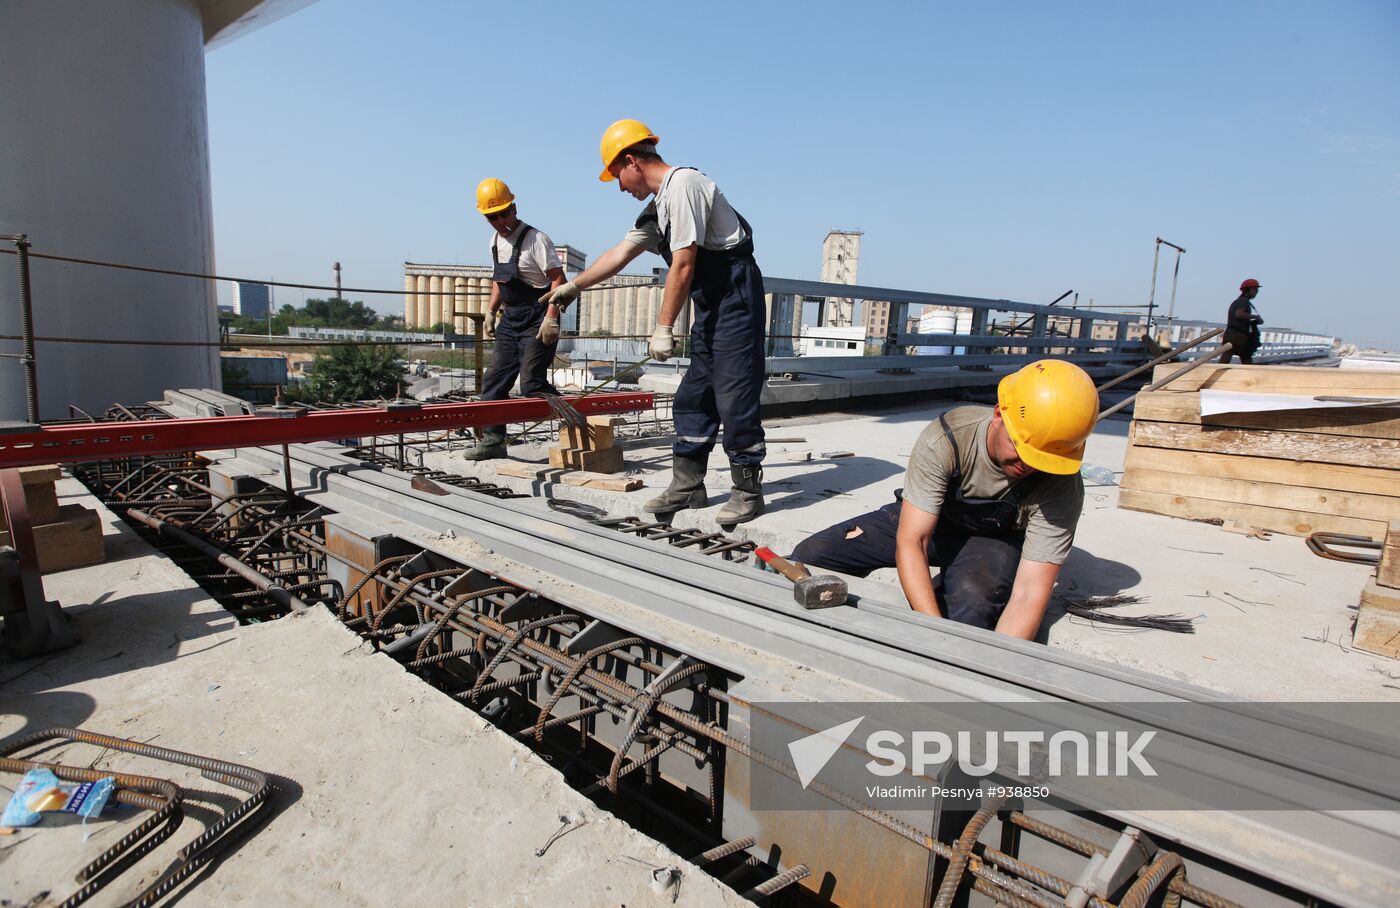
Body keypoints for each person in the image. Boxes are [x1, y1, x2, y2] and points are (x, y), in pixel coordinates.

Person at [539, 119, 768, 524]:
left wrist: (663, 327)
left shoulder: (684, 186)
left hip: (735, 296)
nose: (621, 187)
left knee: (734, 396)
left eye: (617, 177)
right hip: (712, 302)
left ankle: (748, 491)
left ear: (632, 161)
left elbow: (683, 263)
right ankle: (688, 486)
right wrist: (572, 287)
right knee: (695, 395)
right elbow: (620, 253)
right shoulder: (659, 207)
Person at [789, 360, 1099, 640]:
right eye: (1021, 448)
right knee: (809, 558)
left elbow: (1030, 592)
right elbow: (913, 540)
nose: (1029, 465)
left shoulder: (1062, 484)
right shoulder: (949, 437)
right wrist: (933, 634)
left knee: (973, 606)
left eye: (1043, 459)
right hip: (931, 522)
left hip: (991, 540)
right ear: (998, 415)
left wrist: (995, 667)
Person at [462, 177, 567, 461]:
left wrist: (551, 319)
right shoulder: (495, 241)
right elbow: (500, 280)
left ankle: (571, 415)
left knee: (531, 381)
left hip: (537, 316)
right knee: (494, 382)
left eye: (504, 213)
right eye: (492, 217)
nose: (500, 221)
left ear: (514, 208)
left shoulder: (536, 240)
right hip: (511, 319)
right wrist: (490, 311)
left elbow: (558, 280)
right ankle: (494, 441)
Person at [1219, 278, 1264, 364]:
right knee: (1246, 358)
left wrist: (1252, 320)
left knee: (1227, 357)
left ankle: (1215, 375)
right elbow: (1239, 314)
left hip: (1232, 334)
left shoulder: (1240, 301)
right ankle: (1249, 376)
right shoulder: (1243, 302)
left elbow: (1239, 317)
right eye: (1254, 289)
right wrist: (1255, 317)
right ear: (1247, 290)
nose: (1256, 291)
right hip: (1238, 336)